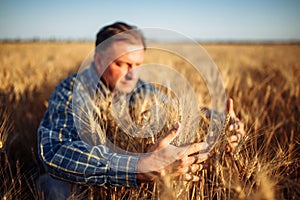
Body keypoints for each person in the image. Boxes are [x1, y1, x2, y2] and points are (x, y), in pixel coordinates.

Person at [37, 22, 245, 199]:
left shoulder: (141, 88)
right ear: (99, 60)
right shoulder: (72, 90)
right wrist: (137, 167)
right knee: (54, 185)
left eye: (138, 64)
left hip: (124, 184)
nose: (132, 74)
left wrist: (222, 124)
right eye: (122, 64)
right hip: (82, 184)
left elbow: (180, 110)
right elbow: (56, 151)